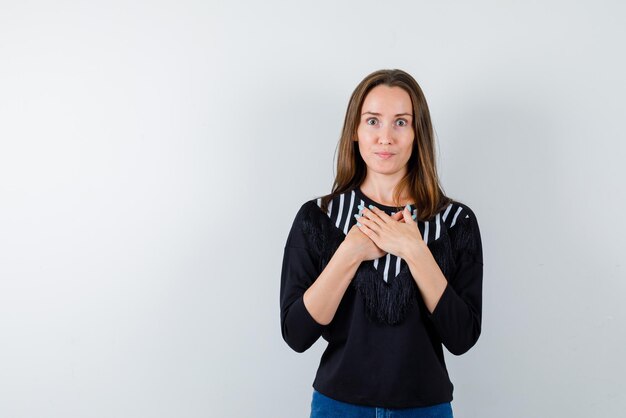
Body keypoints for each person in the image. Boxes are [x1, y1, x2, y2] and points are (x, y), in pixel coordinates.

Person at [279, 69, 483, 418]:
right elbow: (297, 333)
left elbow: (462, 337)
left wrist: (414, 250)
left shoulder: (455, 222)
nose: (385, 137)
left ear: (417, 134)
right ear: (355, 132)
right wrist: (350, 252)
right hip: (338, 407)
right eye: (372, 121)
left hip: (425, 408)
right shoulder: (319, 217)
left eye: (401, 122)